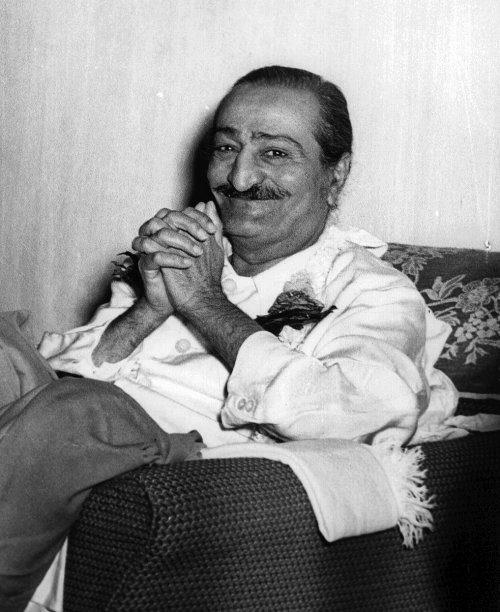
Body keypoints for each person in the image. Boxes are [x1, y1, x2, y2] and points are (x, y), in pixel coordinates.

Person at [0, 66, 457, 611]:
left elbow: (366, 413)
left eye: (275, 153)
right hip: (70, 422)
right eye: (226, 148)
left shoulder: (373, 290)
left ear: (335, 176)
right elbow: (62, 372)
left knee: (77, 411)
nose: (239, 178)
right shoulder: (189, 247)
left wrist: (206, 304)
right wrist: (150, 308)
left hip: (186, 456)